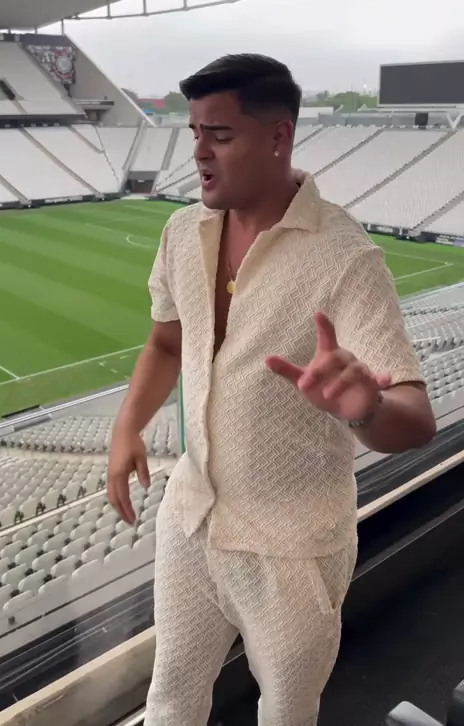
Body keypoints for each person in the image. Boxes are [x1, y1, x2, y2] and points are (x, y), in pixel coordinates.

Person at [107, 54, 436, 726]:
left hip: (293, 548)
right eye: (195, 132)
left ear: (279, 135)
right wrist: (125, 427)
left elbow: (417, 417)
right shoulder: (181, 232)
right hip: (191, 516)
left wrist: (368, 408)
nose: (198, 151)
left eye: (220, 135)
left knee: (286, 714)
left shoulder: (344, 257)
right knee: (169, 698)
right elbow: (166, 343)